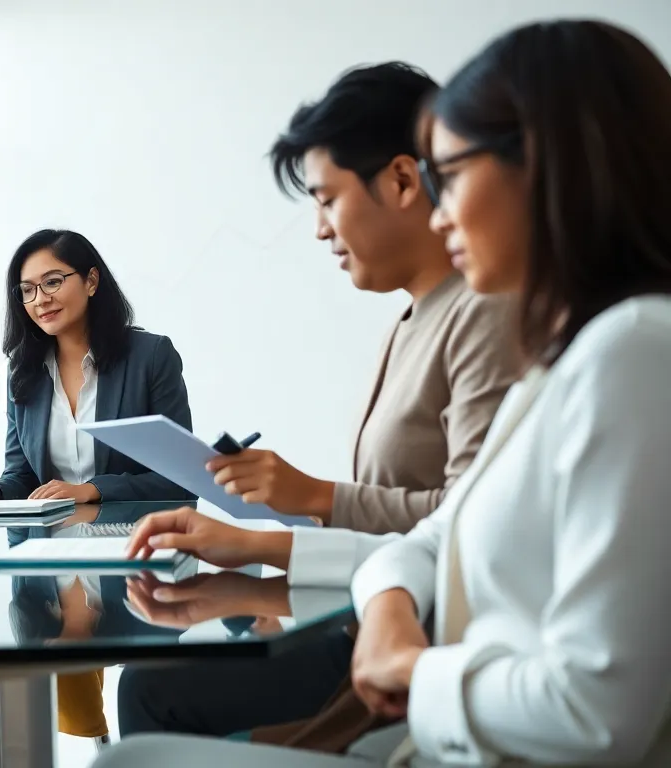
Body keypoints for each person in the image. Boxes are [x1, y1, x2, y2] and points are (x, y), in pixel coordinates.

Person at [105, 18, 671, 767]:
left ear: (548, 167)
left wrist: (412, 668)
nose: (441, 211)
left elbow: (596, 712)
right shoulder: (568, 353)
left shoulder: (630, 350)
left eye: (454, 175)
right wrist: (384, 601)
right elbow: (441, 534)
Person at [116, 62, 521, 747]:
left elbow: (464, 524)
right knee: (158, 671)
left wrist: (306, 508)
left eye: (328, 199)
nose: (320, 229)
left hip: (406, 641)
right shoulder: (415, 317)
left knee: (152, 685)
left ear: (399, 180)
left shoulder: (482, 314)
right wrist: (271, 535)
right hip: (376, 614)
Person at [0, 229, 193, 504]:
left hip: (132, 539)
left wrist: (93, 489)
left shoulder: (151, 357)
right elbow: (24, 476)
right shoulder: (23, 371)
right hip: (48, 544)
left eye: (52, 282)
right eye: (27, 290)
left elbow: (182, 479)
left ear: (91, 281)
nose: (40, 299)